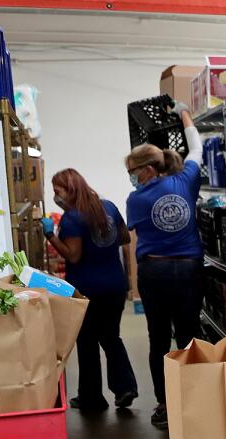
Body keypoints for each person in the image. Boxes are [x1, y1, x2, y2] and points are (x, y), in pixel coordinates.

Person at [124, 103, 203, 430]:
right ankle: (195, 397)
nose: (130, 178)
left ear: (147, 170)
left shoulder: (136, 200)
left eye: (132, 171)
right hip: (189, 270)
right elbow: (195, 146)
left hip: (155, 274)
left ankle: (164, 402)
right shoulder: (185, 180)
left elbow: (134, 233)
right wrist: (185, 113)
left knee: (158, 339)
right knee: (188, 336)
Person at [44, 168, 138, 413]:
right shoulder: (108, 207)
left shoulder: (72, 218)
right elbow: (125, 240)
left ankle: (91, 398)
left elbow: (73, 256)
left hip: (87, 290)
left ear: (70, 190)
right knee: (111, 337)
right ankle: (125, 387)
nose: (56, 196)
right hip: (115, 286)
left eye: (58, 191)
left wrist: (50, 236)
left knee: (87, 341)